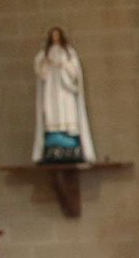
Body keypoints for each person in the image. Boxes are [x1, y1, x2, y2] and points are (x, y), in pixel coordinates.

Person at [32, 26, 94, 162]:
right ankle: (54, 139)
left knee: (67, 111)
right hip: (51, 88)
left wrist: (64, 65)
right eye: (53, 35)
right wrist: (47, 63)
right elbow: (40, 70)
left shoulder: (69, 52)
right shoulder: (45, 53)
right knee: (52, 111)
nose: (55, 37)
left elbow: (75, 71)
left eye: (57, 35)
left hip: (65, 89)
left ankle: (69, 139)